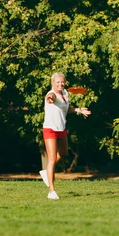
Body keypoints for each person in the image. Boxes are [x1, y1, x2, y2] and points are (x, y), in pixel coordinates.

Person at [39, 72, 90, 200]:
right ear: (53, 83)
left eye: (62, 82)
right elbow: (51, 98)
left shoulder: (65, 93)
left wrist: (78, 110)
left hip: (61, 128)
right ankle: (52, 191)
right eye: (57, 82)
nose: (60, 84)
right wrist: (50, 98)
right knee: (51, 159)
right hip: (50, 129)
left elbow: (66, 109)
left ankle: (46, 172)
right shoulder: (51, 94)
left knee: (63, 153)